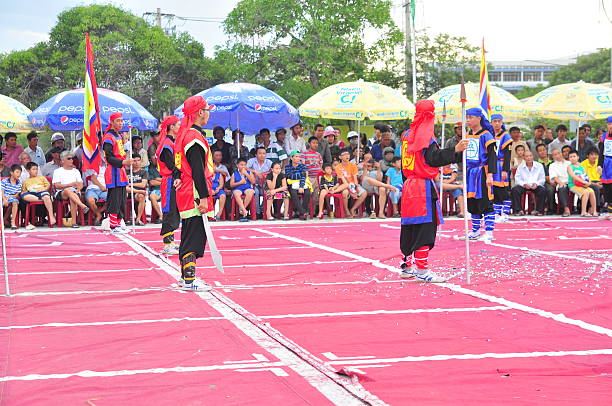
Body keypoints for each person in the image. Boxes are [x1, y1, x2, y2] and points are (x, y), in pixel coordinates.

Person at [399, 100, 468, 282]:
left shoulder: (407, 134)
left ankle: (407, 266)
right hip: (421, 186)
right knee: (425, 229)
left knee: (410, 228)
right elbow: (433, 158)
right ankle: (422, 271)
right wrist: (456, 150)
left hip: (409, 185)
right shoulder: (425, 135)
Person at [174, 95, 214, 291]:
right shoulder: (194, 138)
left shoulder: (186, 134)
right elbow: (197, 170)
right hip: (194, 192)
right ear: (200, 112)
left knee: (189, 232)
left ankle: (185, 277)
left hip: (188, 190)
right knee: (193, 235)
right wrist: (204, 197)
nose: (209, 114)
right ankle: (189, 279)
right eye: (207, 110)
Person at [156, 115, 182, 255]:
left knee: (174, 211)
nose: (180, 127)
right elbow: (171, 165)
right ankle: (167, 244)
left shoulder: (172, 142)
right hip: (169, 181)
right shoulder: (166, 144)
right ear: (171, 127)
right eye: (178, 125)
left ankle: (171, 241)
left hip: (174, 180)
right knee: (169, 211)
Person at [102, 112, 132, 233]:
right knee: (114, 198)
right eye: (118, 121)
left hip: (120, 170)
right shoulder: (108, 137)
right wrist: (124, 162)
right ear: (112, 122)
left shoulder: (118, 135)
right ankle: (113, 225)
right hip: (114, 171)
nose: (121, 123)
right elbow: (108, 157)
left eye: (122, 121)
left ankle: (119, 223)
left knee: (122, 198)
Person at [52, 151, 89, 228]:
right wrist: (70, 184)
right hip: (62, 192)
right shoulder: (57, 171)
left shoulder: (76, 171)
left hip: (75, 191)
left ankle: (74, 223)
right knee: (68, 190)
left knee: (73, 196)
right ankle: (82, 205)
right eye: (69, 158)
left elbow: (80, 183)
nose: (71, 160)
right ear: (63, 161)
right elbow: (57, 185)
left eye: (72, 158)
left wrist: (79, 188)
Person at [490, 114, 512, 222]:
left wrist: (505, 170)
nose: (497, 123)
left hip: (501, 165)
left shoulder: (506, 136)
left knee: (503, 190)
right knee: (496, 190)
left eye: (499, 121)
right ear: (491, 123)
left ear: (502, 123)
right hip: (493, 165)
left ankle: (506, 212)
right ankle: (497, 213)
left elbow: (508, 155)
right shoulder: (490, 134)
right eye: (495, 121)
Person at [511, 151, 546, 215]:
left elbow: (542, 179)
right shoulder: (520, 167)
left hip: (535, 185)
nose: (529, 158)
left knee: (543, 190)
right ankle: (518, 210)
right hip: (524, 185)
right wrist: (524, 184)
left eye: (530, 156)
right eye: (527, 156)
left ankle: (539, 210)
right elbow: (517, 179)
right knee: (515, 190)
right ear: (524, 158)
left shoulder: (539, 166)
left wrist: (536, 184)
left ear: (533, 157)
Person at [21, 162, 56, 226]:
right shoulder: (26, 181)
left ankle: (51, 216)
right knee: (24, 196)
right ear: (28, 171)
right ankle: (45, 200)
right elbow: (24, 191)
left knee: (46, 196)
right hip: (32, 194)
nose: (36, 171)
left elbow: (48, 185)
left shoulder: (41, 178)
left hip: (42, 191)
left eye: (36, 169)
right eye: (33, 169)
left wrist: (44, 189)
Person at [336, 148, 367, 218]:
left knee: (364, 193)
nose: (347, 156)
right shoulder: (338, 167)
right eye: (344, 154)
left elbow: (355, 179)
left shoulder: (353, 165)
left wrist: (355, 190)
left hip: (353, 185)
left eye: (348, 154)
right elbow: (344, 182)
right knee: (345, 193)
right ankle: (346, 210)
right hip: (344, 185)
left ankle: (353, 209)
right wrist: (351, 192)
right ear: (340, 157)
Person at [567, 150, 597, 217]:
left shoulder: (581, 167)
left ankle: (594, 211)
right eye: (570, 157)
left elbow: (586, 176)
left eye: (574, 156)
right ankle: (583, 212)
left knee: (591, 191)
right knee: (585, 192)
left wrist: (588, 183)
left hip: (582, 185)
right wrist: (582, 181)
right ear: (569, 159)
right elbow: (573, 176)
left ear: (578, 157)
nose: (572, 158)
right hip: (573, 186)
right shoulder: (570, 167)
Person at [285, 151, 312, 220]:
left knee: (307, 192)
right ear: (291, 158)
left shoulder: (302, 166)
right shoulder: (287, 167)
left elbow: (303, 177)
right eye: (296, 156)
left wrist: (301, 186)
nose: (298, 158)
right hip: (292, 184)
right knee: (293, 192)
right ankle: (303, 212)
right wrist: (300, 175)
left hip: (302, 183)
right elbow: (289, 176)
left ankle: (301, 213)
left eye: (299, 157)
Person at [247, 146, 272, 217]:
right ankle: (257, 212)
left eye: (264, 153)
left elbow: (274, 170)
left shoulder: (269, 162)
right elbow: (244, 168)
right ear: (256, 155)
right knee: (256, 192)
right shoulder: (251, 161)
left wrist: (266, 175)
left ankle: (263, 209)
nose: (262, 155)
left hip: (264, 184)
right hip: (253, 184)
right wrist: (255, 171)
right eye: (260, 153)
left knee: (269, 192)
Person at [230, 157, 256, 221]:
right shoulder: (235, 174)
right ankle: (244, 211)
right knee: (236, 193)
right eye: (241, 165)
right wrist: (240, 182)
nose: (243, 166)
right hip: (238, 188)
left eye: (244, 165)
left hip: (247, 187)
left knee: (250, 192)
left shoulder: (249, 173)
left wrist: (246, 174)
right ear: (237, 165)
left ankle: (242, 210)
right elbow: (231, 184)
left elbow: (253, 182)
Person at [548, 148, 572, 217]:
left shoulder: (569, 163)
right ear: (553, 157)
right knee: (562, 188)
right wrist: (561, 183)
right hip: (561, 183)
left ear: (561, 153)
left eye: (558, 153)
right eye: (555, 154)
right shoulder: (552, 165)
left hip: (571, 182)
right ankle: (566, 209)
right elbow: (555, 177)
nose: (557, 155)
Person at [126, 153, 148, 226]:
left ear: (140, 161)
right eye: (134, 161)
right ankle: (126, 218)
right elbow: (125, 186)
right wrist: (135, 189)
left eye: (138, 160)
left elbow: (143, 184)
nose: (136, 162)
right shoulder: (127, 172)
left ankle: (138, 219)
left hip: (138, 194)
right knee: (124, 188)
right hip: (128, 193)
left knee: (141, 196)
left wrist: (131, 184)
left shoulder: (144, 172)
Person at [581, 148, 603, 212]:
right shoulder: (583, 164)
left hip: (600, 182)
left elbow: (605, 175)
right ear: (587, 156)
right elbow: (583, 178)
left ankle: (607, 206)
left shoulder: (600, 163)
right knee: (595, 188)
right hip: (588, 183)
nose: (594, 156)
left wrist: (602, 183)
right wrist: (594, 184)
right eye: (592, 154)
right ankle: (593, 208)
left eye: (596, 154)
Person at [1, 165, 23, 229]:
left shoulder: (19, 183)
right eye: (17, 172)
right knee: (10, 204)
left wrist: (9, 196)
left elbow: (16, 194)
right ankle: (4, 220)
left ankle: (12, 222)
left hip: (12, 198)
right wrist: (4, 199)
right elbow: (1, 191)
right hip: (3, 198)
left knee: (14, 202)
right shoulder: (4, 181)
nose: (19, 174)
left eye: (20, 173)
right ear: (11, 172)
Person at [600, 117, 612, 218]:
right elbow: (601, 152)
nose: (611, 126)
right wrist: (599, 165)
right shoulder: (604, 137)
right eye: (609, 124)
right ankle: (609, 210)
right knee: (606, 187)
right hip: (607, 163)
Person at [147, 155, 163, 223]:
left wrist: (158, 179)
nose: (156, 160)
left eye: (157, 159)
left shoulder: (164, 168)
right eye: (154, 159)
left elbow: (169, 180)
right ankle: (161, 216)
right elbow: (152, 183)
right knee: (152, 196)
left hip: (166, 189)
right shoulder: (151, 169)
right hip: (156, 190)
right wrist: (163, 181)